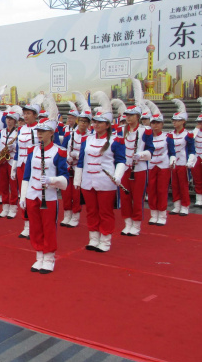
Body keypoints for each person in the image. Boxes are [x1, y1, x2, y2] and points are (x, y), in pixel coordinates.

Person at [19, 110, 68, 274]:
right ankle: (39, 255)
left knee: (48, 227)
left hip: (49, 196)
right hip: (32, 194)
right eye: (38, 131)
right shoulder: (32, 151)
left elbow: (65, 179)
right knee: (35, 227)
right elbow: (27, 175)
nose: (39, 134)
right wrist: (23, 194)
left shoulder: (59, 152)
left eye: (42, 131)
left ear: (51, 133)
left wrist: (52, 180)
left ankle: (49, 257)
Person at [73, 99, 126, 253]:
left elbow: (121, 160)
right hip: (88, 181)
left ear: (108, 125)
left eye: (100, 122)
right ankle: (93, 238)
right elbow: (81, 161)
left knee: (105, 212)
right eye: (95, 122)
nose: (96, 125)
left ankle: (105, 240)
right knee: (91, 210)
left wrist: (117, 175)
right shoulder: (86, 140)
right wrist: (78, 179)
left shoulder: (116, 140)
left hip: (106, 182)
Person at [118, 98, 154, 236]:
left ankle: (136, 224)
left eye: (131, 115)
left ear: (138, 117)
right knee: (125, 197)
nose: (128, 118)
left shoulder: (146, 131)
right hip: (124, 169)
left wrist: (141, 155)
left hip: (139, 169)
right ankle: (127, 223)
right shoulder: (121, 130)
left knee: (137, 197)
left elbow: (151, 150)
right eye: (126, 115)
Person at [59, 104, 92, 228]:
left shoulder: (90, 137)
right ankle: (67, 215)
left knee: (76, 194)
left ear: (89, 124)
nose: (83, 124)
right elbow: (63, 148)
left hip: (80, 168)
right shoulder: (70, 134)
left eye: (85, 122)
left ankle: (75, 216)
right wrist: (67, 156)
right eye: (81, 121)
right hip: (68, 167)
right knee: (66, 193)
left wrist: (78, 155)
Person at [14, 96, 41, 239]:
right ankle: (26, 225)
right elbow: (18, 149)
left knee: (34, 196)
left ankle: (36, 224)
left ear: (35, 115)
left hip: (35, 166)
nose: (25, 116)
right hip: (22, 165)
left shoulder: (41, 129)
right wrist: (14, 166)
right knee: (23, 195)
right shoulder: (21, 129)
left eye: (28, 113)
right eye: (24, 113)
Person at [145, 103, 174, 226]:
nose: (155, 125)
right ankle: (153, 214)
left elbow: (172, 152)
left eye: (158, 123)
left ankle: (162, 214)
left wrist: (172, 160)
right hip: (151, 166)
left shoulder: (168, 136)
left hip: (163, 166)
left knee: (162, 190)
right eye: (153, 123)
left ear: (162, 124)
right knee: (151, 190)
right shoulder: (146, 137)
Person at [169, 100, 196, 216]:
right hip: (173, 163)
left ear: (183, 122)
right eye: (174, 120)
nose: (174, 122)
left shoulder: (188, 134)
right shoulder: (170, 134)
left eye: (177, 120)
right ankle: (176, 205)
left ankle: (185, 206)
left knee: (183, 185)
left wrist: (190, 162)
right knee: (174, 184)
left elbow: (192, 150)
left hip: (183, 163)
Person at [0, 108, 21, 219]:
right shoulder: (1, 132)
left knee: (13, 185)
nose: (9, 121)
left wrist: (13, 146)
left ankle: (13, 208)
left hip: (12, 160)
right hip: (2, 160)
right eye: (8, 119)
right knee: (3, 185)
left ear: (15, 121)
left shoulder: (17, 133)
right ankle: (5, 207)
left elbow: (20, 147)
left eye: (11, 119)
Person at [192, 112, 202, 207]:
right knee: (197, 178)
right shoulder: (195, 131)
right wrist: (196, 129)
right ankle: (199, 199)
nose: (200, 124)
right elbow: (191, 139)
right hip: (197, 157)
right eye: (199, 122)